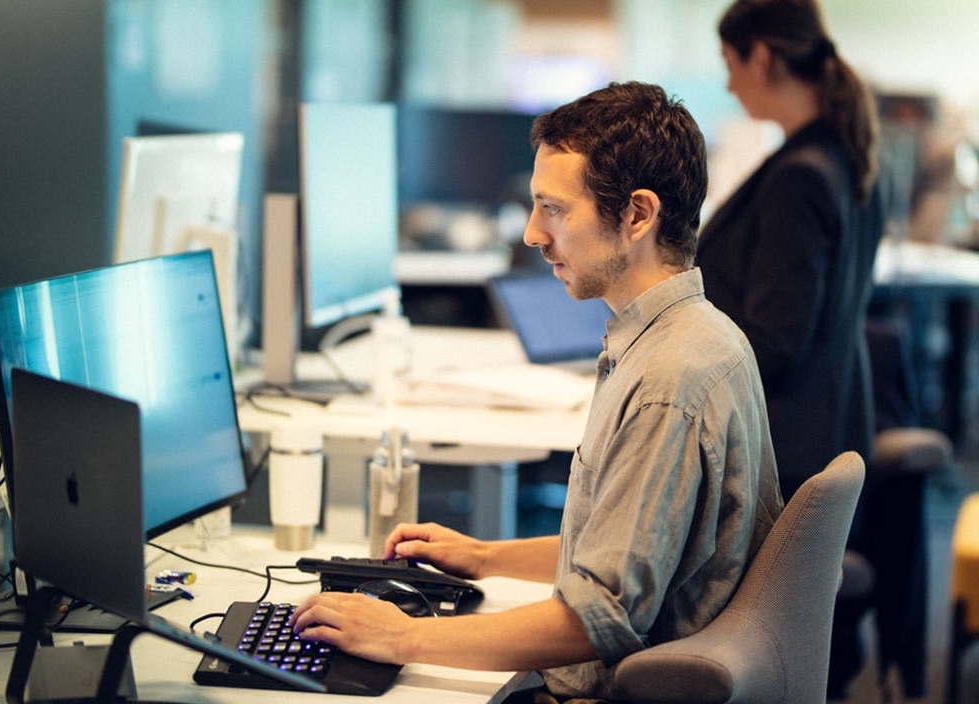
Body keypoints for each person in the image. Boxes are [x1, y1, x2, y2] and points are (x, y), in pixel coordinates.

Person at [289, 81, 783, 701]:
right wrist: (487, 556)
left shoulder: (667, 383)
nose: (531, 233)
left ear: (637, 215)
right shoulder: (693, 337)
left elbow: (599, 617)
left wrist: (400, 637)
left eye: (553, 208)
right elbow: (634, 548)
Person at [694, 1, 887, 697]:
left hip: (779, 450)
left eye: (730, 65)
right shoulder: (844, 156)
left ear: (764, 57)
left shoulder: (802, 176)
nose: (728, 84)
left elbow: (775, 339)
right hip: (825, 425)